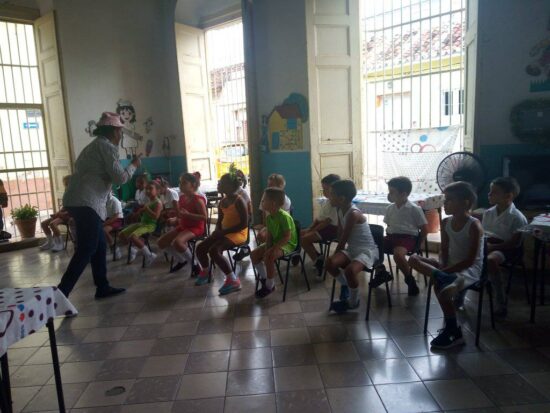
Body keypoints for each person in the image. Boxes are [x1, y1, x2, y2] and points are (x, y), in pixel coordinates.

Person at [58, 111, 140, 299]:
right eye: (120, 131)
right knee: (87, 248)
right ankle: (62, 292)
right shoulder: (107, 147)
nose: (121, 135)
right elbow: (120, 178)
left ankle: (102, 286)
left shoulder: (92, 147)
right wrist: (134, 164)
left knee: (100, 244)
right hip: (88, 203)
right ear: (112, 131)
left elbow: (95, 173)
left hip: (77, 200)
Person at [409, 181, 483, 349]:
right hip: (449, 266)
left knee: (443, 291)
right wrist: (442, 266)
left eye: (450, 200)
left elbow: (470, 261)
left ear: (465, 203)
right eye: (445, 199)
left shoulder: (474, 226)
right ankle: (442, 276)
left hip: (469, 270)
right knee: (413, 259)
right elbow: (444, 250)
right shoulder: (446, 222)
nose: (445, 203)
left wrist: (446, 270)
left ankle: (454, 332)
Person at [325, 180, 378, 313]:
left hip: (366, 251)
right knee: (329, 263)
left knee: (349, 271)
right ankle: (346, 285)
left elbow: (343, 239)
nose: (328, 196)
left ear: (341, 199)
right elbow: (339, 233)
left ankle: (353, 302)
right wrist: (335, 255)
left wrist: (337, 252)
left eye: (331, 194)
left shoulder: (353, 214)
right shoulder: (339, 209)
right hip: (352, 249)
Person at [371, 176, 428, 295]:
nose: (389, 195)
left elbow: (424, 229)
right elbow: (388, 224)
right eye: (389, 191)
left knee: (398, 255)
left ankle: (409, 280)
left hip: (407, 238)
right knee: (372, 248)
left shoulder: (414, 209)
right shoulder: (390, 208)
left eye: (392, 192)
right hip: (392, 237)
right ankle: (381, 272)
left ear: (404, 194)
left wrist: (418, 244)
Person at [195, 173, 248, 294]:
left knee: (214, 250)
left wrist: (223, 232)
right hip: (225, 232)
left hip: (238, 233)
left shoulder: (239, 201)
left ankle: (233, 280)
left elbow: (244, 224)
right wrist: (217, 230)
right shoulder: (223, 201)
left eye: (221, 183)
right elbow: (220, 220)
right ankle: (206, 272)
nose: (218, 184)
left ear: (230, 186)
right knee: (201, 247)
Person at [482, 177, 528, 317]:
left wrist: (491, 248)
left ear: (508, 196)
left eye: (494, 192)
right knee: (467, 254)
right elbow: (483, 234)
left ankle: (500, 299)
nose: (489, 194)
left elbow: (513, 244)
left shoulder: (517, 218)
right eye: (490, 191)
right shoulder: (488, 213)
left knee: (490, 260)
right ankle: (461, 292)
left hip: (507, 250)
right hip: (489, 244)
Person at [251, 187, 297, 298]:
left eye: (264, 200)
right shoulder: (269, 217)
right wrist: (267, 247)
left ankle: (269, 286)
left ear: (273, 203)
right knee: (254, 255)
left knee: (269, 256)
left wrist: (272, 249)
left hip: (287, 244)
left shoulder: (284, 217)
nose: (262, 202)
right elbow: (270, 236)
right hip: (277, 242)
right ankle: (265, 278)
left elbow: (287, 238)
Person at [157, 173, 207, 272]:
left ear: (193, 185)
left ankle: (195, 265)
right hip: (184, 226)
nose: (180, 185)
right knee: (161, 242)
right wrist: (174, 217)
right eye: (180, 182)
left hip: (195, 228)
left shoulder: (197, 200)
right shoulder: (183, 198)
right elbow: (181, 214)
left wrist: (188, 215)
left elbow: (204, 218)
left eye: (184, 183)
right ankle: (181, 260)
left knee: (178, 242)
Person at [300, 174, 340, 278]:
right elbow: (318, 219)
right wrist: (309, 228)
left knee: (304, 239)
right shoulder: (326, 202)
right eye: (323, 189)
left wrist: (312, 231)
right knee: (301, 235)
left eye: (326, 189)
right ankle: (318, 257)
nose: (324, 191)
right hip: (321, 227)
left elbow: (327, 221)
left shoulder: (334, 203)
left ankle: (318, 261)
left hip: (330, 229)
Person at [119, 181, 162, 267]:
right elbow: (142, 211)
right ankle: (132, 250)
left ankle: (149, 255)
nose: (148, 191)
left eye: (151, 188)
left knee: (132, 237)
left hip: (149, 226)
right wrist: (137, 213)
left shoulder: (158, 202)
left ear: (157, 191)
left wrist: (147, 209)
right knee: (121, 234)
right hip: (142, 224)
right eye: (147, 189)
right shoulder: (149, 201)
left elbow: (156, 217)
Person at [255, 173, 292, 244]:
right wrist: (264, 225)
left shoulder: (285, 201)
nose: (268, 187)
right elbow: (263, 211)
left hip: (279, 228)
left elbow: (280, 221)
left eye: (271, 185)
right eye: (268, 185)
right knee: (260, 236)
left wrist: (267, 229)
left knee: (262, 236)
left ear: (280, 186)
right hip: (269, 224)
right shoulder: (266, 195)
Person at [39, 174, 72, 252]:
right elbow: (65, 206)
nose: (65, 184)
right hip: (63, 213)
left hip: (70, 214)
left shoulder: (75, 193)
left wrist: (62, 213)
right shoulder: (66, 192)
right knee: (43, 223)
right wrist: (59, 213)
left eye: (67, 183)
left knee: (52, 224)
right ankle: (50, 242)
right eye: (65, 183)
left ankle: (60, 244)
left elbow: (75, 208)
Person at [103, 191, 124, 260]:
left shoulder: (115, 201)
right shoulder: (103, 201)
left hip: (117, 220)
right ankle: (105, 247)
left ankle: (114, 248)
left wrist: (104, 224)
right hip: (109, 219)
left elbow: (115, 217)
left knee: (103, 230)